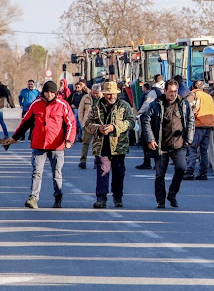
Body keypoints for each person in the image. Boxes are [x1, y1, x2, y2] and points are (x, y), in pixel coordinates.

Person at [5, 81, 75, 209]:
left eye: (52, 92)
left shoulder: (62, 105)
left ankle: (58, 197)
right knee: (37, 172)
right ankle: (33, 198)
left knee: (56, 173)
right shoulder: (36, 104)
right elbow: (26, 122)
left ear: (56, 93)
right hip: (39, 144)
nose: (49, 95)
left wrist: (69, 140)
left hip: (56, 145)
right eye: (47, 92)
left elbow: (71, 123)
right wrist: (15, 137)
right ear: (43, 92)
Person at [142, 79, 194, 209]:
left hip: (179, 145)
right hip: (161, 146)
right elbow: (146, 122)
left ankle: (172, 194)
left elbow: (191, 120)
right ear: (165, 91)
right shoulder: (156, 105)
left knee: (181, 169)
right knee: (160, 175)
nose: (173, 94)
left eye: (175, 91)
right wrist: (151, 139)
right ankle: (161, 200)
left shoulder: (183, 104)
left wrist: (189, 139)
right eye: (170, 91)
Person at [84, 81, 135, 208]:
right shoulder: (96, 108)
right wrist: (98, 128)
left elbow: (131, 122)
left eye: (112, 94)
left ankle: (118, 197)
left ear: (117, 94)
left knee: (118, 173)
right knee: (102, 171)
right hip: (102, 145)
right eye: (108, 94)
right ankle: (101, 198)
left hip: (119, 145)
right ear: (104, 94)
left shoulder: (124, 106)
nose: (110, 97)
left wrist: (114, 127)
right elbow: (87, 124)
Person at [184, 80, 214, 180]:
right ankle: (203, 173)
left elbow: (186, 107)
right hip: (209, 126)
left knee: (193, 149)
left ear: (193, 87)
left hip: (198, 125)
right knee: (203, 151)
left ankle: (189, 172)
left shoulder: (193, 95)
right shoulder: (208, 97)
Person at [135, 76, 164, 169]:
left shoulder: (153, 91)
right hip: (164, 118)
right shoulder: (167, 88)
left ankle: (147, 162)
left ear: (154, 81)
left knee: (147, 139)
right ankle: (159, 163)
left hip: (152, 118)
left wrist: (139, 113)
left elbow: (147, 104)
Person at [78, 84, 102, 169]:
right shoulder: (85, 98)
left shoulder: (103, 98)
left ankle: (97, 160)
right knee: (86, 142)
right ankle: (83, 161)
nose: (95, 95)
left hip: (99, 124)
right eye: (93, 93)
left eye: (97, 93)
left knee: (97, 143)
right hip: (88, 123)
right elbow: (80, 110)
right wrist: (82, 122)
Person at [135, 83, 153, 170]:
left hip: (145, 120)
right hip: (154, 121)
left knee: (145, 141)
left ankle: (147, 162)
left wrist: (138, 113)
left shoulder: (146, 96)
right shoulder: (158, 93)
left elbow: (143, 106)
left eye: (142, 88)